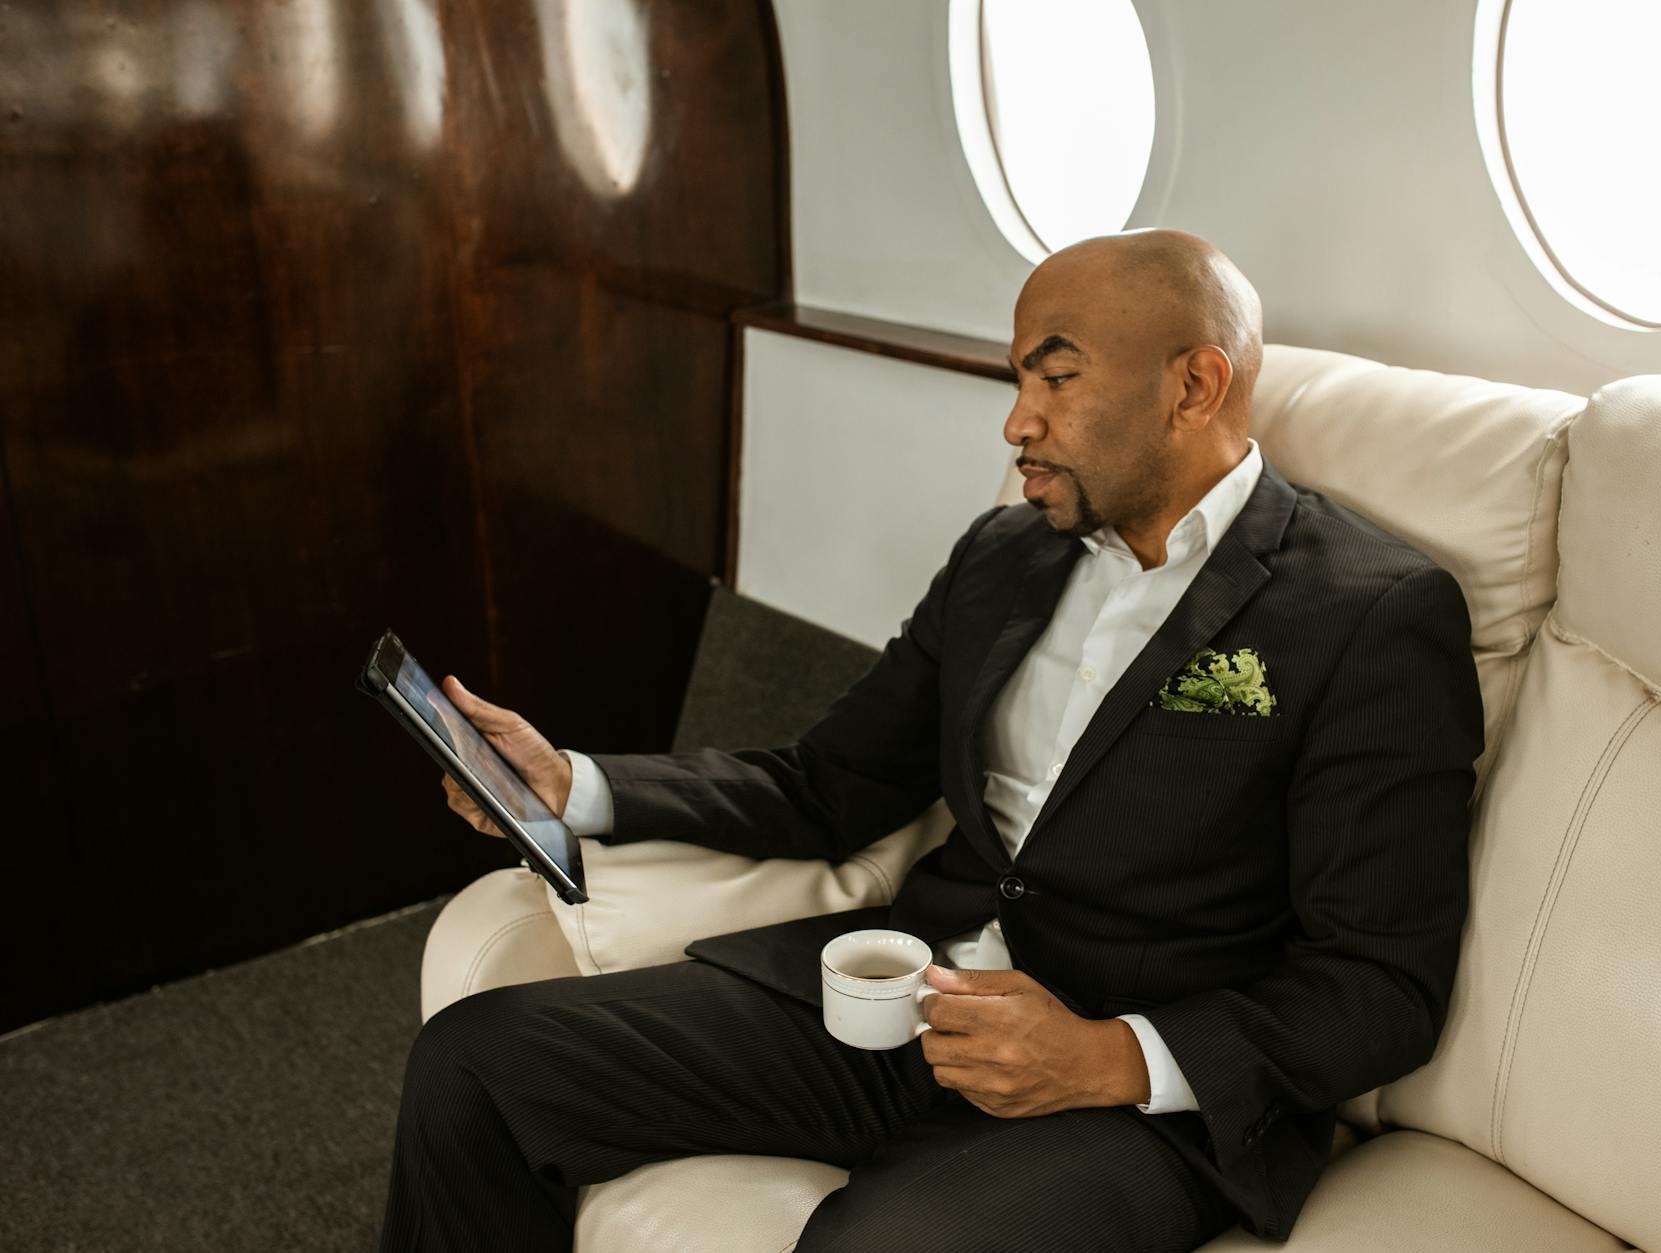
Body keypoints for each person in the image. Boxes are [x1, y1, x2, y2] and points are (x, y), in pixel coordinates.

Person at [378, 229, 1484, 1251]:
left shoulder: (1367, 614)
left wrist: (1105, 1056)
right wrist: (573, 786)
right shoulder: (1003, 556)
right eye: (1018, 379)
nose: (1016, 422)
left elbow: (1380, 982)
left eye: (1056, 376)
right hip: (899, 991)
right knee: (475, 1060)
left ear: (1191, 385)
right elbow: (827, 782)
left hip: (1124, 1095)